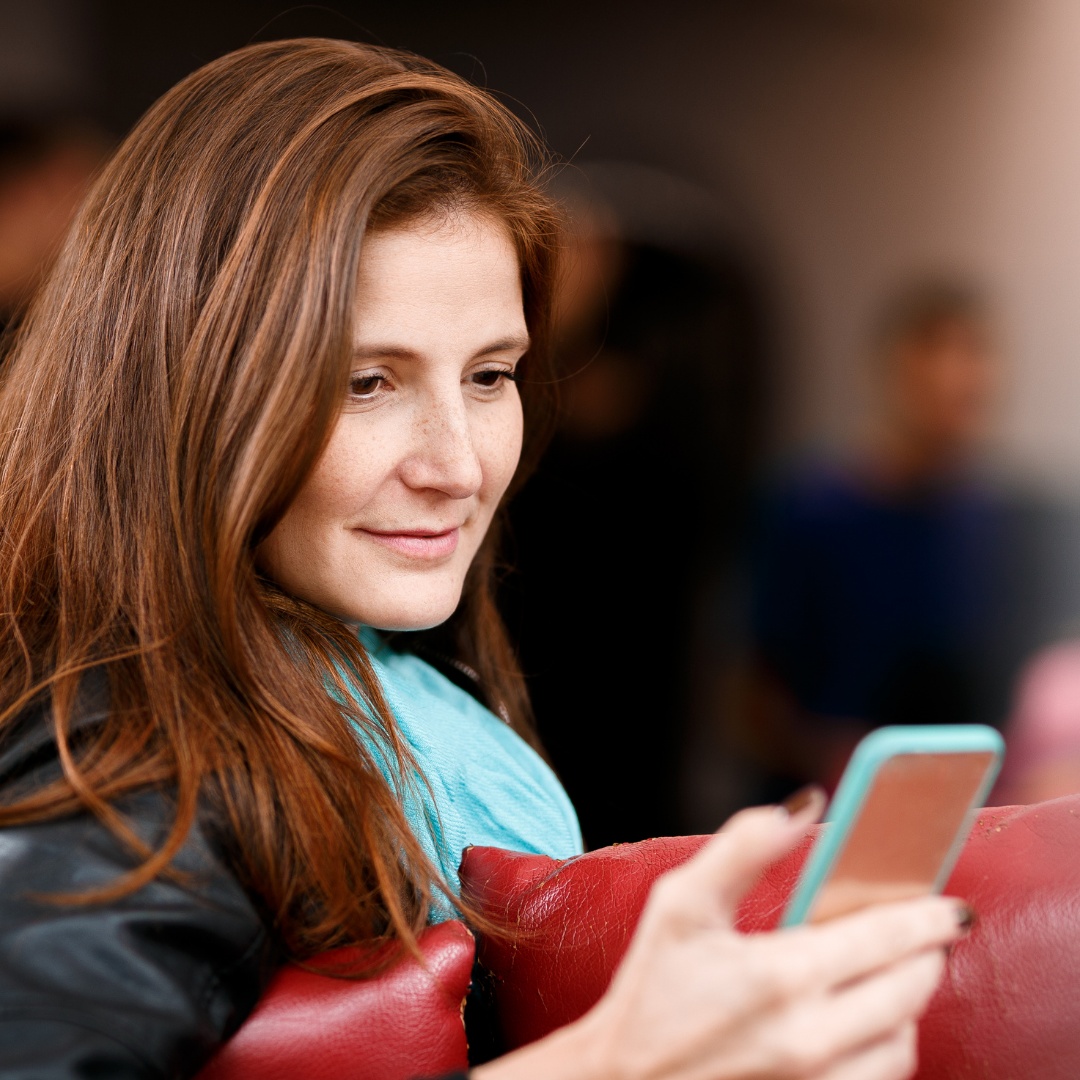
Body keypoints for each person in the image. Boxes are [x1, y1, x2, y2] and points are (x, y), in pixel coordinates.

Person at [0, 39, 966, 1079]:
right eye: (367, 381)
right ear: (186, 385)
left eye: (492, 373)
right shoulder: (130, 748)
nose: (458, 466)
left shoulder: (379, 682)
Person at [744, 283, 1002, 796]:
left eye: (974, 354)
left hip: (948, 812)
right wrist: (835, 762)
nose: (955, 375)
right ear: (890, 369)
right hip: (819, 816)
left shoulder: (986, 519)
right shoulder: (811, 508)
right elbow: (748, 695)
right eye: (934, 352)